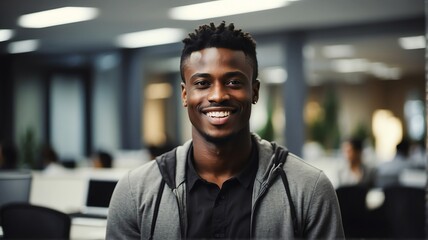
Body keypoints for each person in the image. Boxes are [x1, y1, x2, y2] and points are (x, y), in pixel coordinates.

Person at [107, 22, 344, 239]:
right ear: (185, 94)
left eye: (233, 82)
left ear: (254, 91)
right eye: (202, 83)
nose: (218, 95)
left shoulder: (308, 189)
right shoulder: (135, 191)